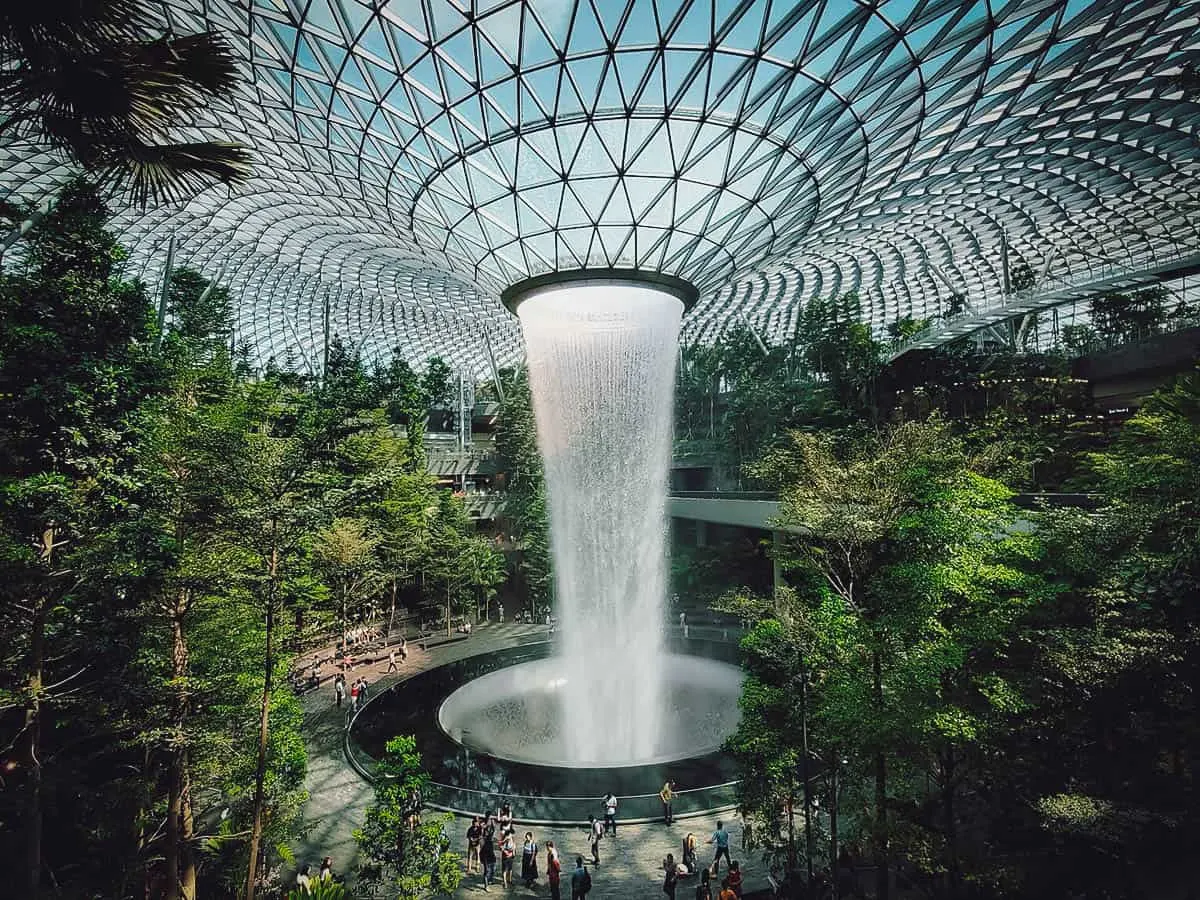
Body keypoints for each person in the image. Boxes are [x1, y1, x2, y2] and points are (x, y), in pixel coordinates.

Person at [480, 823, 497, 891]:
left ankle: (490, 881)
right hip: (486, 857)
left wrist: (492, 825)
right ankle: (486, 886)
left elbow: (493, 831)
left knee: (493, 870)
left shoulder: (490, 838)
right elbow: (482, 852)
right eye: (486, 831)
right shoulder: (483, 840)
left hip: (492, 856)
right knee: (487, 871)